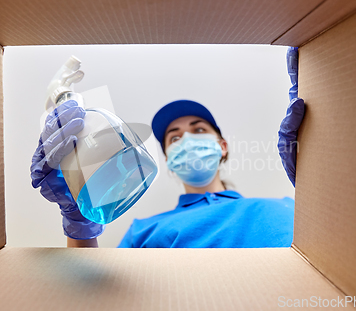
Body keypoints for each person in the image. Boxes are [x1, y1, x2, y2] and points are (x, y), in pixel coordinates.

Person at [30, 47, 305, 248]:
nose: (186, 140)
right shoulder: (144, 232)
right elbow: (91, 296)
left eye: (198, 130)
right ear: (168, 159)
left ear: (222, 146)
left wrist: (313, 182)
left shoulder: (291, 209)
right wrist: (79, 224)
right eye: (175, 138)